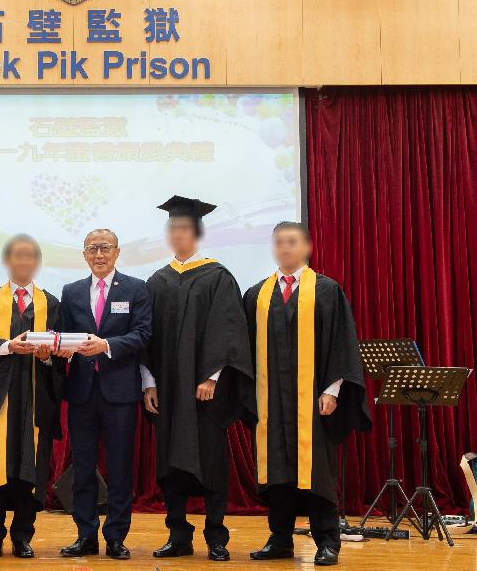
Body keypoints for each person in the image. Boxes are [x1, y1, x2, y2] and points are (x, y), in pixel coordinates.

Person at [243, 222, 371, 567]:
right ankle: (280, 539)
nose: (285, 248)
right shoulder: (257, 294)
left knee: (317, 474)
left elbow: (342, 344)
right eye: (279, 243)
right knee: (278, 475)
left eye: (292, 242)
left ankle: (327, 542)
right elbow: (243, 349)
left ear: (307, 247)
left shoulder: (327, 290)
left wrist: (332, 390)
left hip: (312, 402)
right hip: (271, 402)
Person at [142, 196, 255, 561]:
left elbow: (229, 329)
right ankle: (178, 534)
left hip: (205, 393)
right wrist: (149, 382)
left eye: (185, 229)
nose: (178, 235)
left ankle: (216, 536)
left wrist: (211, 377)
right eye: (173, 229)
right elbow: (147, 337)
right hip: (170, 393)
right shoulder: (157, 281)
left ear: (197, 233)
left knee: (211, 463)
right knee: (171, 465)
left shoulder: (217, 276)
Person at [0, 234, 63, 559]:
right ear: (8, 261)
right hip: (1, 400)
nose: (23, 261)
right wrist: (7, 346)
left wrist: (48, 355)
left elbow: (63, 351)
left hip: (36, 399)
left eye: (30, 256)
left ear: (36, 263)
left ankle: (23, 536)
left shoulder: (52, 304)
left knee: (29, 472)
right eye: (17, 256)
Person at [56, 228, 152, 560]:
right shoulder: (71, 291)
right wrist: (58, 348)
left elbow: (143, 334)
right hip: (82, 393)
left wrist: (107, 345)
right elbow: (64, 335)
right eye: (92, 249)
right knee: (82, 469)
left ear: (117, 252)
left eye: (105, 248)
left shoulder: (137, 289)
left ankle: (115, 537)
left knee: (120, 468)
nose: (99, 254)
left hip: (120, 393)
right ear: (84, 255)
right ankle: (85, 535)